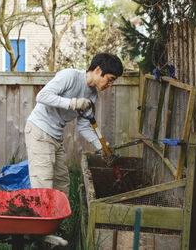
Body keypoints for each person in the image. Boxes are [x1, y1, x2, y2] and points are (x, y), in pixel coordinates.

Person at [24, 53, 123, 197]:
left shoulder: (93, 95)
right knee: (43, 184)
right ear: (98, 70)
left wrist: (102, 147)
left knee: (61, 185)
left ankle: (58, 219)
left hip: (56, 137)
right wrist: (73, 103)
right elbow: (42, 96)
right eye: (110, 79)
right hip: (39, 131)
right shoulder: (70, 76)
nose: (110, 84)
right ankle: (41, 218)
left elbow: (83, 125)